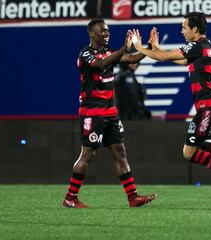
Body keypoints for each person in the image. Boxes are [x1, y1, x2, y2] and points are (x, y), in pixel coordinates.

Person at [132, 12, 211, 208]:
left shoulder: (196, 46)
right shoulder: (207, 46)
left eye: (185, 27)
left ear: (195, 29)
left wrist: (139, 48)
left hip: (208, 107)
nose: (182, 30)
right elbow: (179, 59)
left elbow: (163, 58)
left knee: (189, 153)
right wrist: (157, 48)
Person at [62, 19, 156, 208]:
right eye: (103, 31)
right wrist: (123, 48)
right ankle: (70, 197)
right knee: (88, 154)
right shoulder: (86, 54)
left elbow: (131, 59)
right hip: (92, 111)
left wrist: (148, 47)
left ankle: (133, 197)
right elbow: (101, 64)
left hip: (110, 111)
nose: (107, 33)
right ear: (92, 34)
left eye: (108, 31)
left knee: (120, 152)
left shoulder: (108, 51)